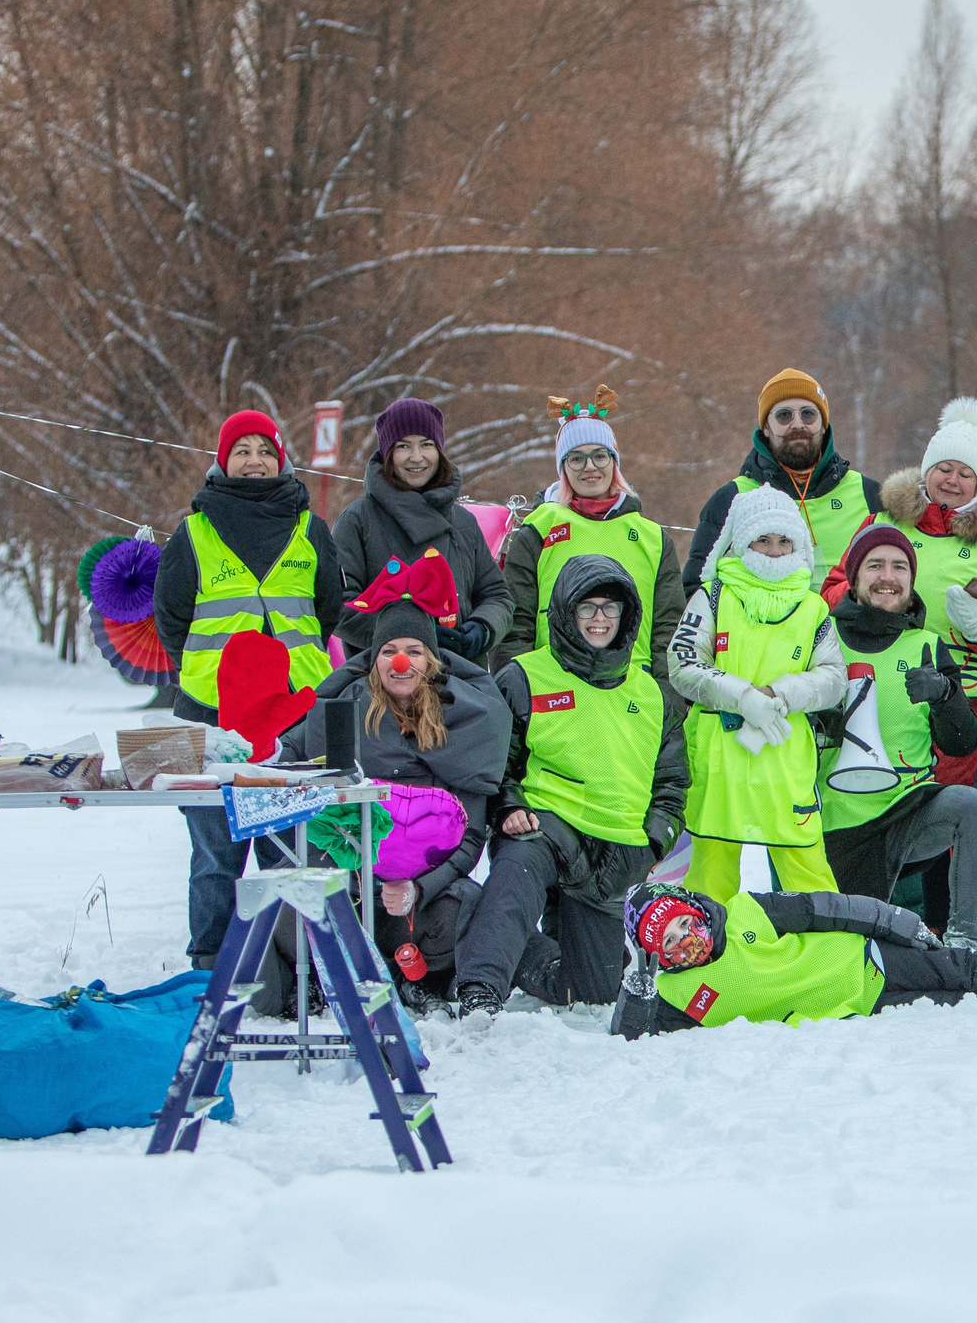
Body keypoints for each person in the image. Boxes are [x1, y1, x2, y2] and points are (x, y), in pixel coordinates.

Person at [153, 410, 347, 969]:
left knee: (290, 851)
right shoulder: (193, 532)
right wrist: (212, 674)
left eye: (266, 449)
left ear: (281, 459)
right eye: (243, 450)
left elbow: (327, 610)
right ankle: (208, 966)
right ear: (222, 460)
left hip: (293, 717)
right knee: (216, 852)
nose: (255, 459)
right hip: (211, 718)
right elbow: (171, 617)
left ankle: (293, 973)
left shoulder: (310, 528)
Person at [457, 555, 687, 1018]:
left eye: (610, 608)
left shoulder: (655, 694)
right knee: (515, 875)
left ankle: (474, 924)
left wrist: (652, 844)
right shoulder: (524, 676)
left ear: (628, 615)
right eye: (587, 607)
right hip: (544, 826)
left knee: (591, 992)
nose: (599, 619)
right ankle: (481, 987)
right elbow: (494, 765)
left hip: (617, 850)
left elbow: (672, 783)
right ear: (564, 611)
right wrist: (508, 808)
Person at [277, 599, 509, 1009]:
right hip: (348, 883)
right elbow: (286, 771)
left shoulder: (468, 725)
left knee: (464, 907)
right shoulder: (338, 714)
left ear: (431, 661)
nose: (400, 660)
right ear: (374, 661)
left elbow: (470, 837)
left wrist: (418, 888)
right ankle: (322, 976)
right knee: (285, 891)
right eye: (388, 650)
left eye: (414, 650)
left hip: (416, 899)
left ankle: (417, 980)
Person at [829, 398, 977, 795]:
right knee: (875, 801)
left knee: (950, 815)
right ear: (926, 471)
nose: (952, 480)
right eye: (943, 468)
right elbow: (833, 591)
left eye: (964, 473)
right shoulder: (882, 522)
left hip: (962, 703)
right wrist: (868, 611)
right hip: (877, 688)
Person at [610, 882, 977, 1034]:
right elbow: (630, 1042)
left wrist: (899, 922)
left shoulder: (747, 913)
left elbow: (829, 908)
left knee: (976, 971)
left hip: (869, 957)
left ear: (694, 912)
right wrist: (637, 986)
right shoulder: (674, 995)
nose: (685, 939)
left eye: (683, 923)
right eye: (669, 942)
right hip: (858, 1005)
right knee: (960, 1002)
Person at [667, 486, 848, 900]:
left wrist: (778, 694)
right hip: (719, 757)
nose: (773, 551)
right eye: (762, 540)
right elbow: (682, 664)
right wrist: (742, 697)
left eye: (784, 541)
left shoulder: (812, 607)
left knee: (809, 877)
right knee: (710, 881)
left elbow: (834, 677)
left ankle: (827, 961)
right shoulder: (712, 596)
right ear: (741, 541)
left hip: (785, 760)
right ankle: (706, 958)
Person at [819, 525, 977, 947]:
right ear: (854, 577)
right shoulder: (821, 636)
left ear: (911, 582)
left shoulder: (927, 645)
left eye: (900, 567)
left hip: (907, 810)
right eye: (875, 565)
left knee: (973, 807)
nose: (888, 576)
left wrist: (946, 694)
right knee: (853, 945)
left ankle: (963, 943)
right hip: (835, 818)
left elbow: (961, 743)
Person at [496, 387, 685, 670]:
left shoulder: (653, 538)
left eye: (599, 455)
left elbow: (668, 627)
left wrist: (666, 693)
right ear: (563, 468)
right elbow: (515, 620)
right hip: (554, 685)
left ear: (614, 462)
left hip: (634, 686)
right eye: (576, 458)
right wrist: (516, 685)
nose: (589, 467)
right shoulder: (539, 528)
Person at [332, 396, 512, 665]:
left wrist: (482, 628)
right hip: (383, 683)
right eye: (404, 446)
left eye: (426, 445)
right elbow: (339, 607)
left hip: (460, 682)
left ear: (439, 451)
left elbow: (497, 596)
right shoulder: (358, 520)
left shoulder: (463, 521)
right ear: (388, 453)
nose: (416, 457)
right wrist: (413, 636)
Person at [684, 368, 883, 598]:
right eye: (784, 415)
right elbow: (695, 589)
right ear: (766, 428)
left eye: (808, 414)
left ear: (824, 424)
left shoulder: (869, 494)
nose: (797, 424)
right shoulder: (733, 497)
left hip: (845, 633)